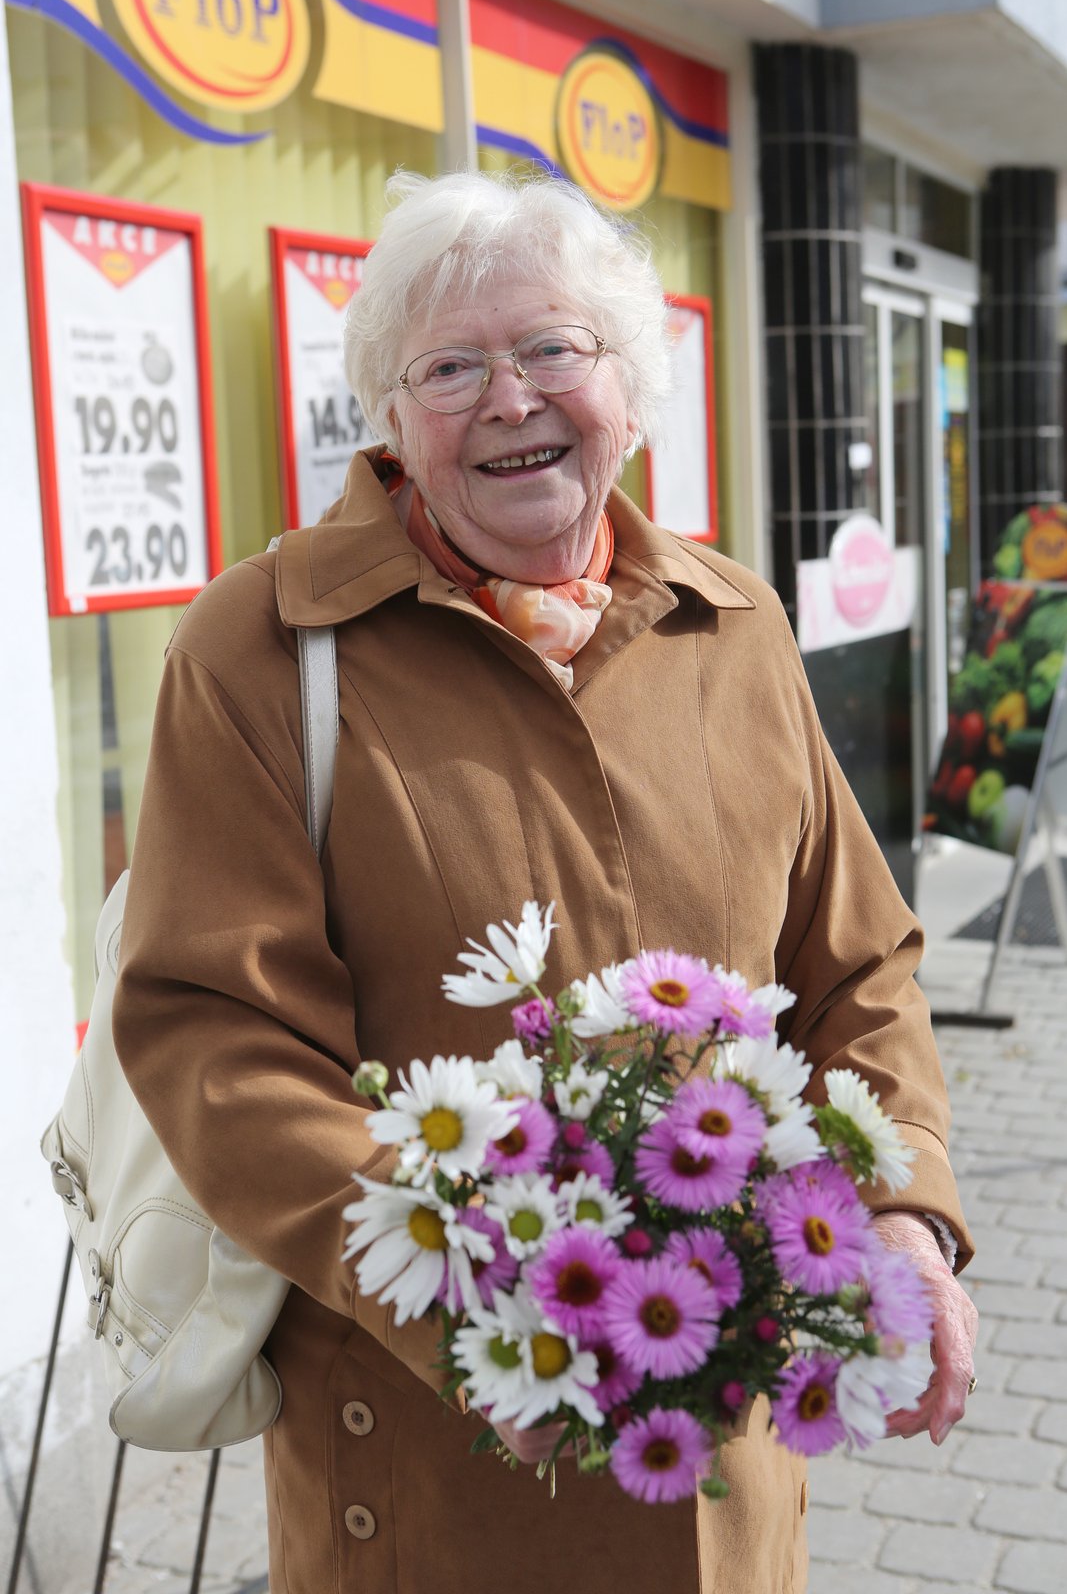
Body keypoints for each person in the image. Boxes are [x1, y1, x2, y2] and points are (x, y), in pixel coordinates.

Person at [113, 169, 978, 1594]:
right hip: (446, 1445)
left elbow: (857, 970)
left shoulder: (734, 625)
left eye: (552, 350)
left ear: (629, 387)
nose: (508, 401)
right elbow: (215, 1039)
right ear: (391, 416)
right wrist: (490, 1299)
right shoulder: (260, 651)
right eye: (448, 367)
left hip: (723, 1446)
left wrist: (905, 1207)